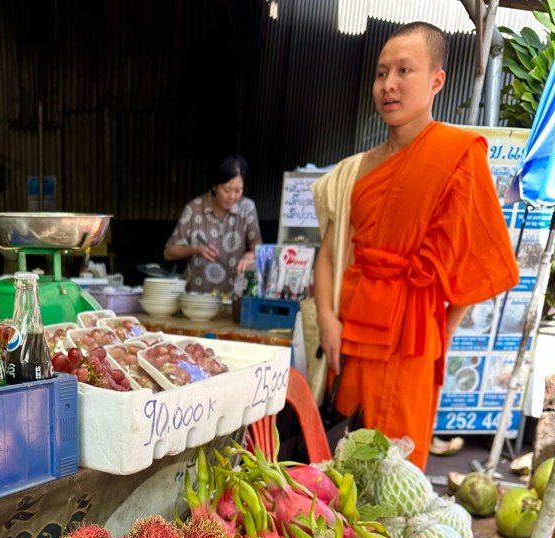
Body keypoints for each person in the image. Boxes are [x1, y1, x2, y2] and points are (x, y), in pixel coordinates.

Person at [311, 22, 519, 470]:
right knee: (342, 460)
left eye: (404, 71)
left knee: (395, 473)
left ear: (436, 80)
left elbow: (476, 257)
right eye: (381, 73)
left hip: (412, 339)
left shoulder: (458, 154)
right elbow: (329, 253)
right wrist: (326, 318)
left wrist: (446, 327)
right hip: (351, 331)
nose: (388, 84)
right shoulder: (356, 170)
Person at [163, 155, 262, 295]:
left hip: (234, 296)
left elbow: (258, 246)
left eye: (238, 190)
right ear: (214, 185)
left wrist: (251, 255)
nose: (232, 197)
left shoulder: (247, 208)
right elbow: (168, 253)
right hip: (196, 297)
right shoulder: (194, 209)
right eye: (226, 190)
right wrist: (196, 249)